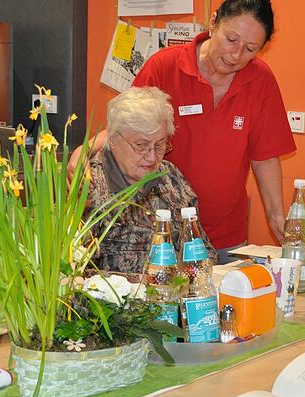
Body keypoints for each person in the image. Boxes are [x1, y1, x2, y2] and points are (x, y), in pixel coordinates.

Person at [132, 0, 296, 263]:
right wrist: (87, 149)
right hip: (163, 233)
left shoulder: (261, 80)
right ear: (213, 23)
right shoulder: (164, 67)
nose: (236, 55)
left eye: (250, 49)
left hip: (226, 238)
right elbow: (128, 133)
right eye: (231, 39)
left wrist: (279, 220)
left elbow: (264, 156)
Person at [69, 86, 216, 274]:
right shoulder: (89, 185)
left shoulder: (170, 177)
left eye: (160, 144)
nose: (152, 156)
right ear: (112, 139)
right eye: (141, 145)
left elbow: (204, 251)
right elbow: (72, 274)